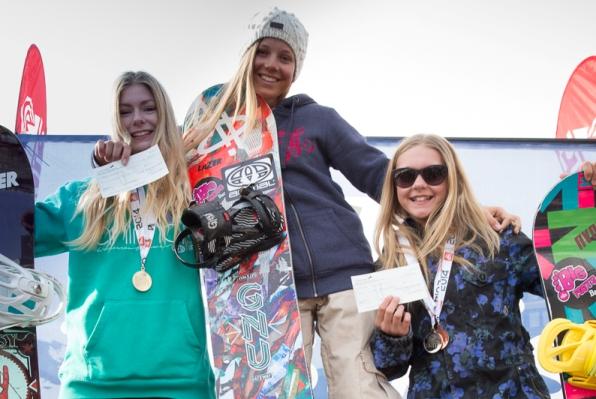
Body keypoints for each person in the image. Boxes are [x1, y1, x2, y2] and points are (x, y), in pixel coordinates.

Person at [181, 8, 521, 399]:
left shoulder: (316, 119)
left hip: (345, 276)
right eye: (263, 52)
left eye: (285, 57)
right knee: (273, 390)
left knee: (357, 384)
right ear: (246, 55)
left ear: (297, 68)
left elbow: (381, 175)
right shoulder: (213, 130)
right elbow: (174, 176)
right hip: (270, 285)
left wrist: (468, 212)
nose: (272, 65)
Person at [370, 133, 596, 398]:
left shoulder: (496, 236)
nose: (418, 184)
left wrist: (580, 215)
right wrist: (392, 336)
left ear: (452, 179)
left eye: (433, 174)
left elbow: (569, 285)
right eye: (406, 176)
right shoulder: (391, 260)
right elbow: (387, 368)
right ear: (394, 185)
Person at [35, 71, 215, 398]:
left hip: (182, 384)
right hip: (91, 386)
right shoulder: (83, 200)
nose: (137, 119)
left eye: (148, 108)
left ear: (164, 115)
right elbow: (17, 230)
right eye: (124, 111)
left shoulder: (193, 196)